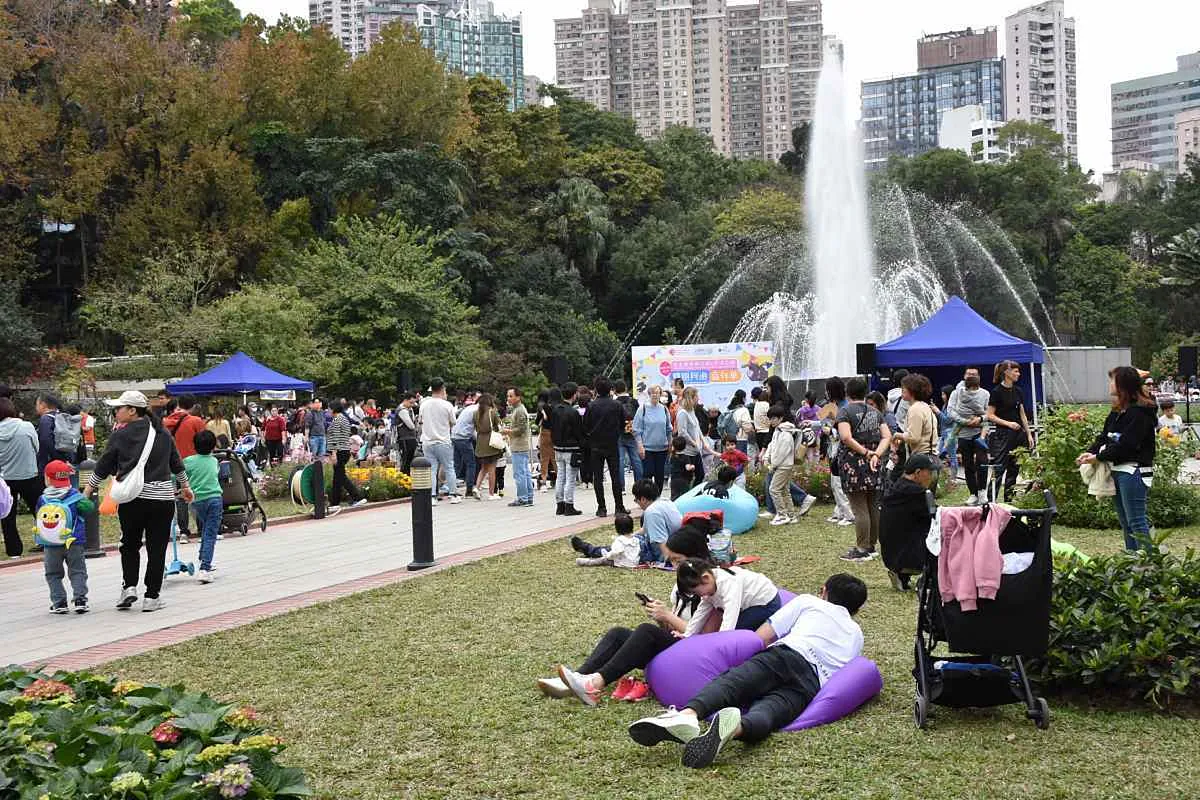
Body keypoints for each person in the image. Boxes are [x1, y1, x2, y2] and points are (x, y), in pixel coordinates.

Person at [627, 574, 867, 769]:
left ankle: (687, 715)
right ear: (856, 608)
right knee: (770, 713)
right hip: (810, 684)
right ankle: (736, 728)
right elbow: (845, 677)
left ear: (823, 591)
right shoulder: (856, 634)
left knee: (733, 683)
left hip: (785, 656)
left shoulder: (809, 602)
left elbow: (762, 637)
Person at [542, 524, 715, 705]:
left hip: (693, 654)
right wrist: (661, 617)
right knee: (618, 634)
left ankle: (594, 684)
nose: (675, 566)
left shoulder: (709, 587)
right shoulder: (681, 586)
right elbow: (673, 626)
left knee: (646, 631)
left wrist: (668, 616)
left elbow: (708, 638)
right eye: (672, 561)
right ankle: (578, 678)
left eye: (678, 561)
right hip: (677, 644)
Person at [84, 390, 193, 613]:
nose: (116, 412)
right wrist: (185, 487)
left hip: (132, 498)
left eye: (119, 408)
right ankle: (152, 597)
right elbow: (176, 463)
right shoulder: (162, 433)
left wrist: (88, 490)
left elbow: (104, 465)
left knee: (129, 544)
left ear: (132, 411)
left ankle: (129, 587)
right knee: (157, 547)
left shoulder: (120, 435)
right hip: (161, 499)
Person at [1078, 366, 1158, 552]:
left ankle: (1150, 566)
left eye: (1112, 379)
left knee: (1137, 521)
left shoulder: (1140, 413)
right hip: (1118, 471)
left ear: (1123, 384)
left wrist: (1098, 458)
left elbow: (1127, 445)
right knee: (1126, 523)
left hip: (1133, 472)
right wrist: (1090, 452)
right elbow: (1104, 436)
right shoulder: (1118, 411)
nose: (1110, 384)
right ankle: (1133, 562)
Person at [836, 377, 892, 562]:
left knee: (859, 507)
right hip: (874, 463)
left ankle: (862, 548)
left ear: (848, 393)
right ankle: (871, 545)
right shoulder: (875, 412)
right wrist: (876, 454)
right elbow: (887, 436)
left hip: (854, 463)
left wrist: (865, 452)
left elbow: (845, 437)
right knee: (872, 505)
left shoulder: (845, 411)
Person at [35, 460, 91, 613]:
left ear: (47, 478)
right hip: (74, 541)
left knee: (53, 573)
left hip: (51, 543)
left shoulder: (43, 499)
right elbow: (89, 508)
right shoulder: (75, 496)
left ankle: (59, 602)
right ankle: (80, 599)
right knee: (77, 570)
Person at [676, 559, 782, 636]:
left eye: (697, 592)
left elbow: (731, 612)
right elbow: (701, 612)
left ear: (706, 578)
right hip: (747, 606)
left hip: (766, 603)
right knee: (731, 627)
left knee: (737, 630)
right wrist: (688, 634)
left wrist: (722, 641)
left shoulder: (728, 583)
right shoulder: (708, 585)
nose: (700, 596)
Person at [879, 453, 937, 591]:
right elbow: (935, 516)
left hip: (890, 552)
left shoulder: (897, 486)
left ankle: (902, 575)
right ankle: (927, 577)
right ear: (918, 472)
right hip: (908, 555)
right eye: (929, 472)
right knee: (940, 532)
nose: (931, 476)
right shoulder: (918, 493)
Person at [0, 398, 41, 559]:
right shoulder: (26, 426)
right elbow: (36, 447)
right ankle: (48, 540)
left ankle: (14, 551)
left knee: (7, 516)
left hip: (4, 479)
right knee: (40, 510)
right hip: (28, 475)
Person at [986, 360, 1032, 503]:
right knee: (1000, 468)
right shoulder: (996, 392)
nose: (1018, 374)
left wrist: (1029, 434)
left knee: (1014, 468)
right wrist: (1008, 424)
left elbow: (1022, 414)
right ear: (1007, 372)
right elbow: (990, 415)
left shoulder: (1018, 391)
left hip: (1018, 435)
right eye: (1016, 371)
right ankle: (990, 500)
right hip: (1003, 435)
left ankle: (1009, 500)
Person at [584, 377, 627, 517]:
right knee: (615, 476)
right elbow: (622, 424)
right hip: (612, 444)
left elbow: (586, 425)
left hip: (596, 445)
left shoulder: (591, 406)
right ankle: (619, 506)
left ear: (596, 389)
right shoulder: (617, 405)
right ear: (610, 389)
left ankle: (601, 508)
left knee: (598, 477)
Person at [185, 430, 223, 583]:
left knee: (206, 530)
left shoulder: (188, 461)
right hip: (214, 499)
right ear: (213, 446)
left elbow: (176, 473)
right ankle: (205, 568)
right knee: (210, 533)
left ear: (194, 445)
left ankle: (203, 560)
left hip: (196, 501)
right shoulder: (214, 461)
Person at [949, 368, 990, 506]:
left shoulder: (985, 393)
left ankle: (982, 491)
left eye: (974, 375)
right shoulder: (957, 393)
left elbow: (989, 414)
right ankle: (973, 493)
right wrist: (965, 421)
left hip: (980, 432)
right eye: (969, 374)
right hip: (963, 433)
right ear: (964, 377)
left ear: (978, 377)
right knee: (968, 465)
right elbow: (951, 411)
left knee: (982, 461)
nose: (971, 376)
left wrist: (979, 419)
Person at [419, 379, 461, 504]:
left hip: (427, 441)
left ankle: (432, 497)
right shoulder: (447, 405)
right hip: (443, 440)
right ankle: (453, 495)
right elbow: (453, 422)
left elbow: (421, 421)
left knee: (431, 469)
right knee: (449, 467)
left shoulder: (424, 404)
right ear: (443, 388)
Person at [820, 377, 854, 527]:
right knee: (835, 482)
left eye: (827, 389)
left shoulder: (844, 408)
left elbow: (845, 432)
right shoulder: (838, 405)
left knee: (839, 482)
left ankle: (848, 514)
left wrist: (830, 431)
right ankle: (840, 511)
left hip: (841, 448)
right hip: (834, 448)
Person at [326, 400, 367, 512]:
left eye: (329, 408)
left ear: (334, 409)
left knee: (340, 477)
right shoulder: (343, 419)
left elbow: (336, 437)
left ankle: (358, 497)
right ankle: (335, 503)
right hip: (344, 450)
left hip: (339, 451)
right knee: (337, 478)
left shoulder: (337, 420)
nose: (328, 411)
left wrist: (333, 453)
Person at [631, 478, 682, 565]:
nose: (637, 503)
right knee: (628, 541)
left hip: (668, 550)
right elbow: (644, 529)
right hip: (678, 544)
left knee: (630, 548)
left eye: (636, 500)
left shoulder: (652, 512)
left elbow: (661, 541)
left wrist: (668, 561)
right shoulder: (666, 501)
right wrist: (628, 536)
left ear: (643, 499)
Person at [551, 383, 584, 516]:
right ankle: (569, 504)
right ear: (574, 394)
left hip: (558, 447)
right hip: (571, 448)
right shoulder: (573, 412)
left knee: (560, 476)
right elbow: (578, 431)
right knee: (570, 478)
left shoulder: (555, 410)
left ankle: (560, 505)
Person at [765, 404, 800, 526]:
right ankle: (791, 515)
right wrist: (767, 457)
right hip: (782, 465)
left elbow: (782, 452)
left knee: (774, 489)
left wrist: (773, 465)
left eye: (773, 418)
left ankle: (782, 514)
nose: (771, 421)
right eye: (770, 418)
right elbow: (772, 446)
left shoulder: (785, 433)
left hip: (783, 466)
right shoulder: (778, 431)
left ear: (780, 418)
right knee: (785, 490)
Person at [633, 385, 671, 492]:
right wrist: (640, 446)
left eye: (657, 392)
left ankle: (657, 498)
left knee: (660, 476)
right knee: (647, 474)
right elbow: (636, 430)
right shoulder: (643, 409)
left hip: (662, 449)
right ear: (649, 394)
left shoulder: (664, 409)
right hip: (647, 449)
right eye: (653, 392)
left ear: (660, 394)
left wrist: (670, 445)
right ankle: (647, 497)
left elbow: (669, 429)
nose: (655, 395)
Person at [571, 512, 641, 568]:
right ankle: (589, 551)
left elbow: (616, 552)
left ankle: (585, 561)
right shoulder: (636, 540)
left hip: (622, 563)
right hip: (634, 563)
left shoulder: (620, 540)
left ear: (617, 529)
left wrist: (608, 556)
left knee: (602, 560)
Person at [675, 387, 713, 489]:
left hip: (696, 450)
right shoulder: (682, 413)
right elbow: (682, 432)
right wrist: (693, 442)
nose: (698, 398)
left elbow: (697, 428)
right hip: (687, 451)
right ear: (691, 397)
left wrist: (703, 441)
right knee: (688, 477)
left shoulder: (692, 410)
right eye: (696, 396)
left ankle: (694, 493)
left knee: (700, 474)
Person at [35, 394, 81, 477]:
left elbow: (46, 441)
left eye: (37, 404)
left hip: (50, 464)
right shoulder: (62, 417)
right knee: (62, 485)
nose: (36, 407)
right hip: (65, 461)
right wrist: (65, 461)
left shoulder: (46, 419)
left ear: (43, 405)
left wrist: (59, 459)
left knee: (51, 487)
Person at [504, 388, 534, 507]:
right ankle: (528, 496)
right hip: (520, 445)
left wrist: (508, 431)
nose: (509, 399)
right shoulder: (517, 410)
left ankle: (523, 498)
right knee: (525, 472)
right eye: (508, 396)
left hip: (519, 446)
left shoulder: (520, 411)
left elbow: (520, 430)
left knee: (519, 473)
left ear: (518, 397)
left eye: (511, 396)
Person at [472, 393, 503, 501]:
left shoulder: (475, 414)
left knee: (483, 468)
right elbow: (499, 427)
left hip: (480, 443)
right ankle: (491, 493)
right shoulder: (492, 412)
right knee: (492, 469)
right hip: (491, 443)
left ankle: (476, 487)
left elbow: (475, 428)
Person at [614, 380, 644, 486]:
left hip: (619, 434)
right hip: (633, 433)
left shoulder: (615, 403)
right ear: (626, 388)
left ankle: (621, 487)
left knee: (620, 461)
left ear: (615, 390)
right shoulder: (634, 401)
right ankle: (639, 484)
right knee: (636, 460)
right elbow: (640, 417)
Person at [452, 400, 480, 499]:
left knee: (456, 464)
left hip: (455, 435)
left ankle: (451, 489)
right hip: (463, 438)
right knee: (471, 464)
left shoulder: (470, 408)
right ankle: (469, 490)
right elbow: (476, 429)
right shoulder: (477, 410)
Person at [937, 385, 960, 490]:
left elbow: (948, 420)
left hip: (951, 434)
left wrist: (937, 412)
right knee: (939, 454)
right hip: (943, 434)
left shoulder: (952, 406)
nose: (942, 396)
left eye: (943, 394)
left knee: (952, 456)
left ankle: (953, 479)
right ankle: (945, 477)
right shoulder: (945, 405)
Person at [535, 389, 557, 492]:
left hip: (545, 433)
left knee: (544, 458)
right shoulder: (555, 407)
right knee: (554, 458)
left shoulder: (542, 407)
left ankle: (543, 482)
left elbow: (536, 421)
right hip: (554, 433)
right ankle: (559, 479)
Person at [668, 435, 696, 501]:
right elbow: (687, 468)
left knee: (674, 496)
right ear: (685, 447)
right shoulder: (685, 457)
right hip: (683, 480)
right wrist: (692, 466)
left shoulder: (672, 456)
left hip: (674, 480)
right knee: (685, 496)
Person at [750, 387, 771, 466]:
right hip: (766, 432)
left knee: (761, 453)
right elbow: (770, 418)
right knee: (767, 454)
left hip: (758, 433)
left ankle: (762, 470)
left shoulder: (757, 404)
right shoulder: (767, 405)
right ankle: (766, 471)